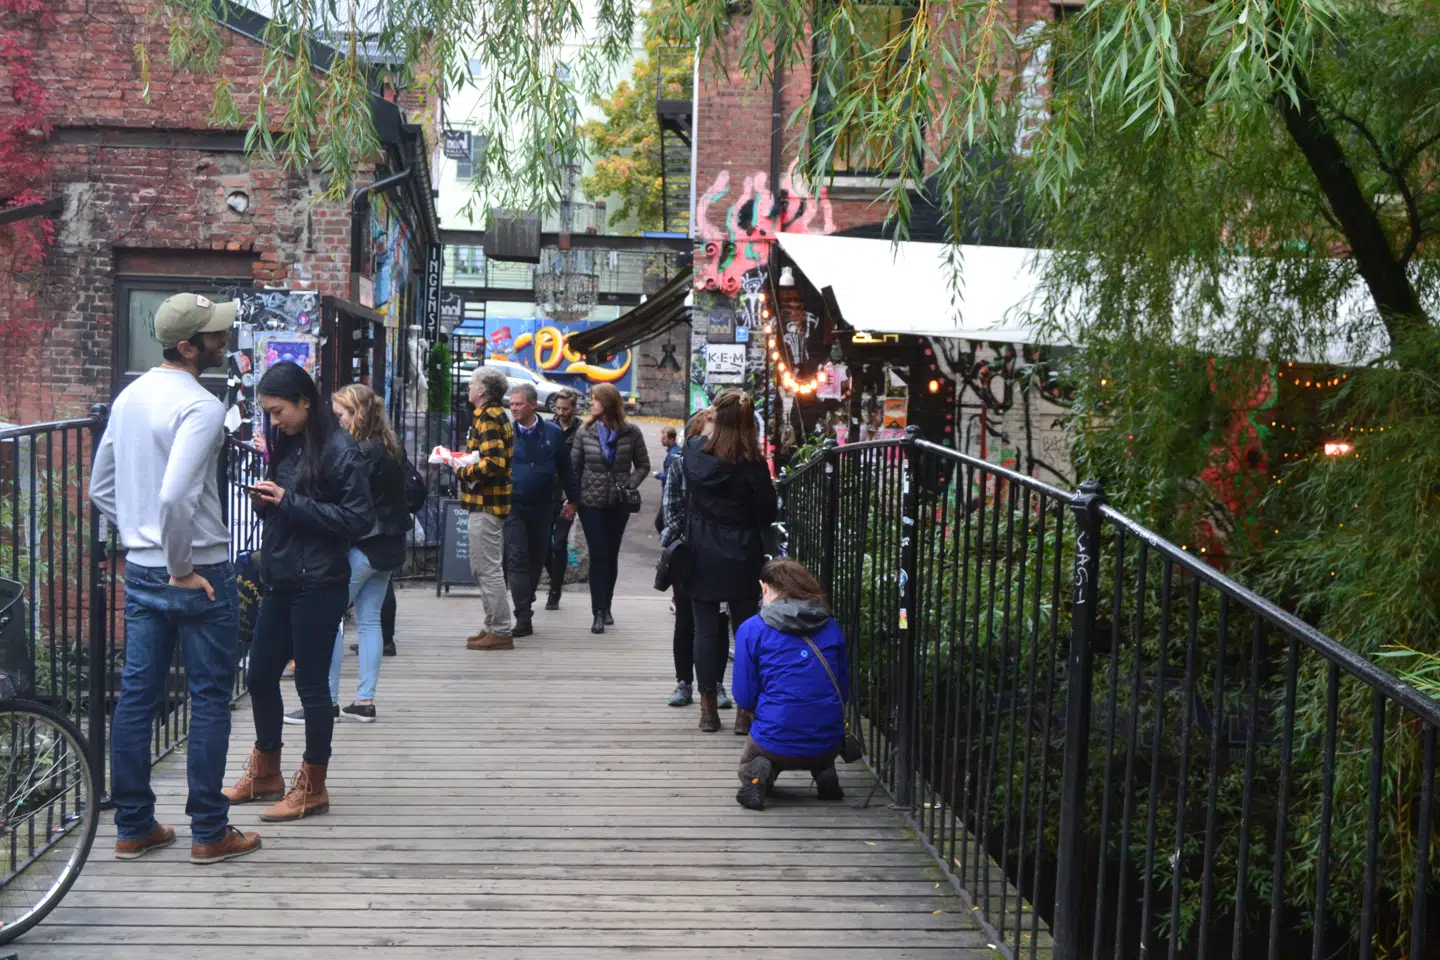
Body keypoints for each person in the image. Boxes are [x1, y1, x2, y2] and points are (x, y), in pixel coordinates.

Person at [91, 292, 262, 865]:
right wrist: (182, 568)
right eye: (214, 336)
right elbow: (174, 495)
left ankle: (134, 826)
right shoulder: (201, 406)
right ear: (188, 347)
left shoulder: (130, 396)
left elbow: (100, 489)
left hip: (141, 568)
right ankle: (209, 832)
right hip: (200, 571)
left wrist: (141, 536)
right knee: (209, 698)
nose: (223, 341)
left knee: (137, 696)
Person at [224, 361, 373, 821]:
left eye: (278, 410)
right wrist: (269, 504)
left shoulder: (340, 450)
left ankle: (313, 785)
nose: (273, 420)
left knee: (311, 687)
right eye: (268, 412)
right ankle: (268, 769)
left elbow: (358, 520)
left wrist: (291, 503)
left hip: (319, 581)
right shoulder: (288, 445)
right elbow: (292, 510)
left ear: (304, 401)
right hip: (283, 576)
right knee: (260, 675)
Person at [681, 389, 777, 732]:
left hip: (700, 552)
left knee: (705, 632)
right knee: (746, 632)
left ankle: (707, 709)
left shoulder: (693, 452)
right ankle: (744, 710)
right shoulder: (752, 465)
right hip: (742, 554)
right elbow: (768, 512)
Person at [319, 384, 408, 723]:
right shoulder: (388, 446)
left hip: (363, 545)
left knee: (330, 618)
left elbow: (342, 496)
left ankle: (326, 701)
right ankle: (364, 701)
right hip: (388, 545)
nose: (336, 421)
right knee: (369, 621)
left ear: (356, 415)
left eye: (340, 414)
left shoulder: (360, 452)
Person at [731, 558, 848, 811]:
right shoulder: (832, 626)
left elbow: (744, 694)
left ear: (764, 588)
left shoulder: (752, 629)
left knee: (751, 762)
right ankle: (824, 769)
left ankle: (762, 772)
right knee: (815, 740)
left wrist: (755, 711)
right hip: (828, 739)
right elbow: (843, 687)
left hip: (774, 738)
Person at [571, 383, 650, 635]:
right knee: (599, 554)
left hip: (619, 502)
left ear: (607, 403)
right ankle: (596, 612)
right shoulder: (585, 432)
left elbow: (643, 465)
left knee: (611, 554)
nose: (591, 404)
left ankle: (607, 606)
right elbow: (574, 467)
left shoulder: (631, 433)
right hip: (590, 502)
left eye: (595, 399)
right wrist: (571, 499)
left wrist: (629, 484)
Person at [505, 383, 578, 637]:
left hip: (544, 505)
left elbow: (566, 469)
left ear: (533, 405)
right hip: (513, 505)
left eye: (518, 404)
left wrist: (573, 501)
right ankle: (523, 615)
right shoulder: (506, 432)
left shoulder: (553, 433)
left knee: (536, 558)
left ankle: (527, 600)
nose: (513, 408)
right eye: (512, 404)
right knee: (517, 559)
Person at [456, 367, 515, 650]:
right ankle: (493, 625)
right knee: (484, 567)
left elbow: (494, 463)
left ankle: (501, 630)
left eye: (471, 384)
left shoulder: (488, 417)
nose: (468, 388)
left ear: (482, 391)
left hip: (486, 504)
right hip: (488, 503)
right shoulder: (493, 415)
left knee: (488, 568)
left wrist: (462, 470)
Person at [545, 389, 581, 610]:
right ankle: (556, 578)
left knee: (559, 544)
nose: (561, 413)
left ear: (574, 407)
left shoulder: (583, 429)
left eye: (565, 409)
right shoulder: (548, 427)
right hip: (547, 493)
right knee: (544, 547)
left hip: (567, 495)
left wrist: (574, 497)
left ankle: (555, 590)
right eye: (558, 409)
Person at [652, 424, 679, 534]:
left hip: (669, 493)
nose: (661, 440)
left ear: (671, 439)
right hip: (668, 492)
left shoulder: (674, 455)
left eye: (664, 438)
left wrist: (658, 475)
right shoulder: (673, 452)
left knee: (660, 522)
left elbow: (670, 476)